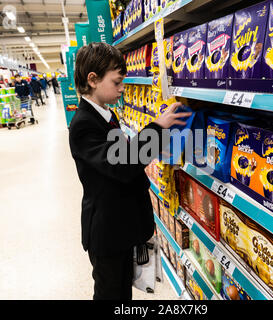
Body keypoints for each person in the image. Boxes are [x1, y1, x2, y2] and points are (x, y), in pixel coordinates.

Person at [69, 42, 191, 300]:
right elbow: (122, 165)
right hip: (107, 233)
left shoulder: (106, 114)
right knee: (111, 294)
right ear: (92, 80)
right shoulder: (83, 125)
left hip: (122, 226)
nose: (122, 88)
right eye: (116, 82)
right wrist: (157, 128)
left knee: (123, 291)